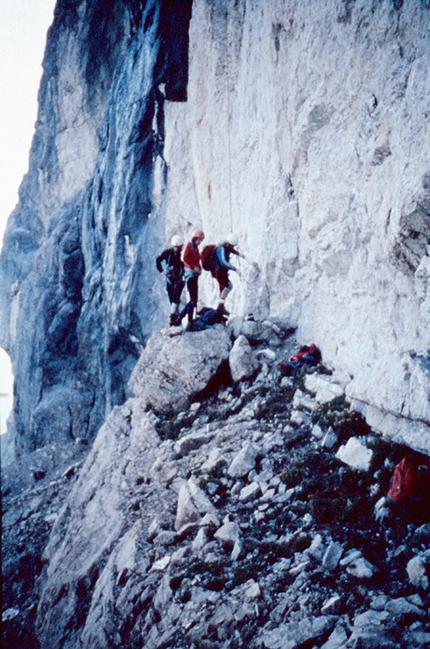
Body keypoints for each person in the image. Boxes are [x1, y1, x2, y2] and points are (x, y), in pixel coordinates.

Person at [208, 233, 242, 315]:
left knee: (223, 288)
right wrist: (235, 269)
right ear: (229, 244)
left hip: (221, 271)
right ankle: (220, 307)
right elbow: (223, 262)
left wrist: (239, 254)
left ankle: (220, 308)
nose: (233, 247)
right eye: (232, 245)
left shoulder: (226, 246)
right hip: (219, 271)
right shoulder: (221, 249)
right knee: (228, 286)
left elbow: (231, 250)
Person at [156, 235, 185, 326]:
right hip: (171, 277)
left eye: (178, 247)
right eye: (175, 247)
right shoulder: (168, 253)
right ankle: (175, 315)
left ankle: (173, 316)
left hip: (179, 277)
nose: (176, 249)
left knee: (176, 297)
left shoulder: (182, 253)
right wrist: (162, 271)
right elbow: (158, 260)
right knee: (172, 297)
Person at [181, 229, 205, 328]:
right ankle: (187, 318)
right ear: (195, 238)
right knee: (192, 298)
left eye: (201, 240)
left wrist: (199, 269)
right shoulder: (189, 245)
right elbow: (184, 258)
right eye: (199, 240)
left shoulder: (195, 248)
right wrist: (194, 267)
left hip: (194, 274)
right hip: (190, 274)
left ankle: (187, 318)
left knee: (194, 298)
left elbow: (196, 260)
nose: (199, 242)